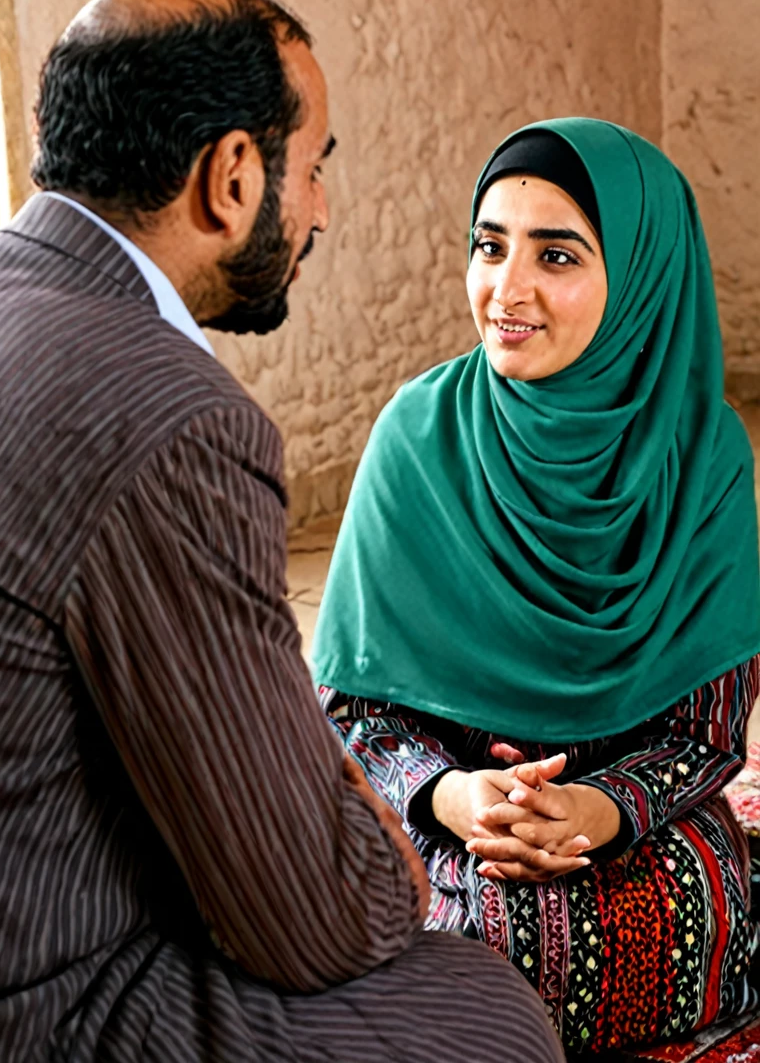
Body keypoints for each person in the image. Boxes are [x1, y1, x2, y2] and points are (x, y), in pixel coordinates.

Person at [0, 0, 564, 1063]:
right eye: (312, 167)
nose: (319, 209)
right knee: (481, 1010)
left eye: (555, 253)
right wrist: (392, 829)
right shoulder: (175, 411)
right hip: (7, 996)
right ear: (231, 176)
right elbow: (315, 917)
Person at [313, 118, 760, 1056]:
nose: (505, 292)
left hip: (638, 818)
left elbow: (709, 730)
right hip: (451, 818)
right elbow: (351, 713)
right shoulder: (417, 439)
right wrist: (455, 796)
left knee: (691, 911)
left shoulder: (704, 455)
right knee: (435, 925)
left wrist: (599, 810)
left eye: (556, 255)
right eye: (489, 246)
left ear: (640, 276)